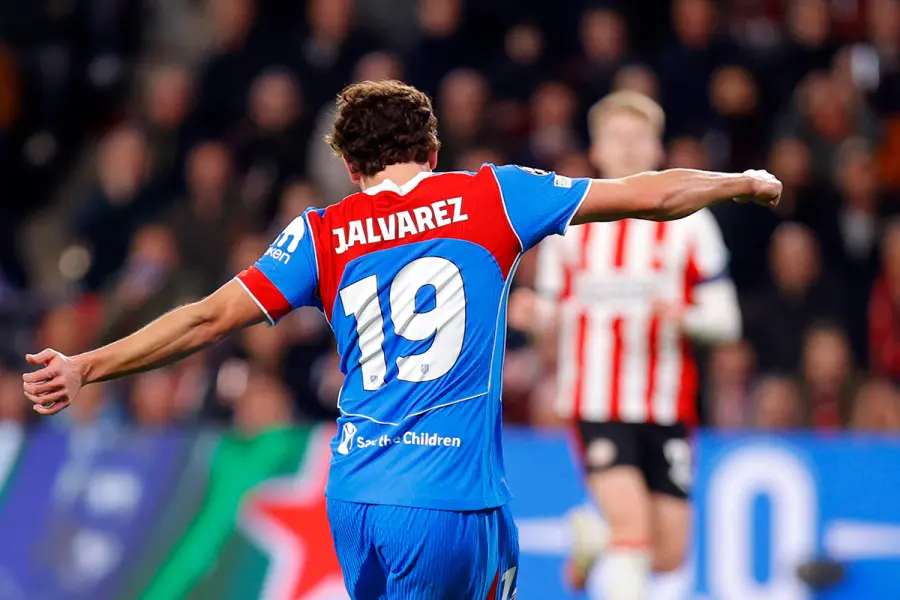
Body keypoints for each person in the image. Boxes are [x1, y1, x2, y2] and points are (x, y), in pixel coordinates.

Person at [22, 81, 780, 600]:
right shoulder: (492, 196)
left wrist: (88, 363)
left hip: (355, 497)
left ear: (350, 166)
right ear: (434, 147)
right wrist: (738, 181)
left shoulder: (321, 233)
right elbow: (649, 193)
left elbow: (203, 319)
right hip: (453, 501)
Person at [510, 91, 743, 599]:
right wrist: (533, 316)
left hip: (667, 403)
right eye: (617, 137)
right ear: (597, 149)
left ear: (658, 147)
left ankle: (595, 534)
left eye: (639, 136)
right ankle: (612, 532)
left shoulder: (692, 222)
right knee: (633, 532)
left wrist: (686, 317)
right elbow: (552, 311)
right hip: (595, 400)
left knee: (669, 554)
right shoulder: (570, 224)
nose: (629, 146)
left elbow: (727, 320)